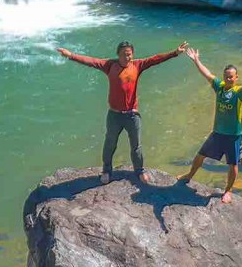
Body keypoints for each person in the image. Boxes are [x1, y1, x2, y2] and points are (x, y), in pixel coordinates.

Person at [58, 40, 188, 184]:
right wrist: (71, 55)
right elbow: (91, 61)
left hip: (132, 115)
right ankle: (106, 171)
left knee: (136, 146)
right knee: (110, 144)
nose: (128, 58)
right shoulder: (109, 65)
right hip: (114, 115)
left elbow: (155, 59)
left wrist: (174, 53)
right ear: (118, 54)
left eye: (130, 54)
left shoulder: (137, 65)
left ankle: (139, 171)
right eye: (124, 55)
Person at [178, 48, 242, 203]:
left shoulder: (239, 91)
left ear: (236, 77)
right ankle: (189, 175)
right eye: (226, 77)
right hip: (217, 133)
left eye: (231, 77)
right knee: (200, 155)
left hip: (233, 136)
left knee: (232, 164)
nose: (228, 79)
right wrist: (196, 60)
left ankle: (228, 190)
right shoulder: (219, 86)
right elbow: (207, 74)